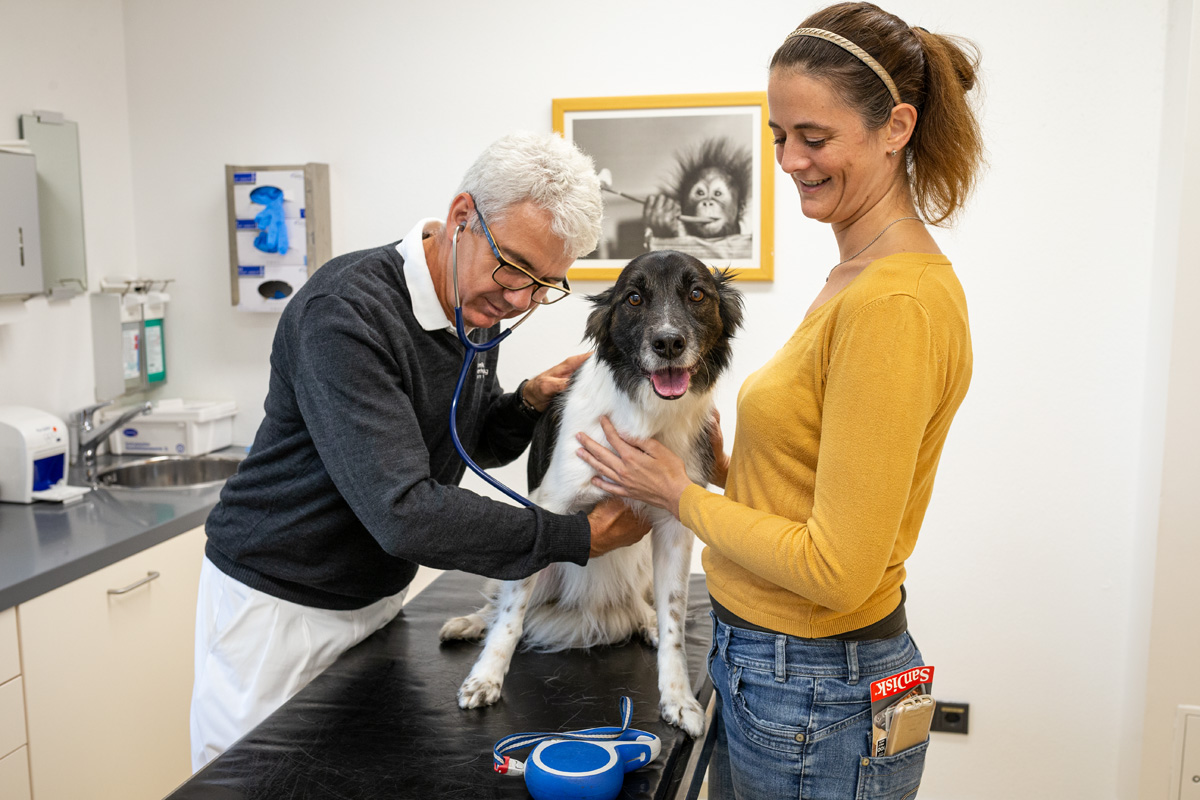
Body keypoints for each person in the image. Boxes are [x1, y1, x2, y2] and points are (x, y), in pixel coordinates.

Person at [576, 3, 983, 798]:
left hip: (814, 685)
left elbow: (837, 569)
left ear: (896, 127)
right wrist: (737, 469)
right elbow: (826, 485)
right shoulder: (855, 278)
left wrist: (679, 495)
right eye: (779, 137)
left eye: (816, 137)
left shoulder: (892, 303)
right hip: (776, 668)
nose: (791, 159)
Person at [190, 132, 651, 770]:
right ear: (463, 217)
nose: (521, 300)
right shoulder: (346, 313)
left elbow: (465, 441)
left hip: (375, 601)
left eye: (546, 284)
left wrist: (527, 401)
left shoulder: (474, 308)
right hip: (280, 610)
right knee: (260, 783)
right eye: (515, 269)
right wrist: (578, 536)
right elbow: (403, 509)